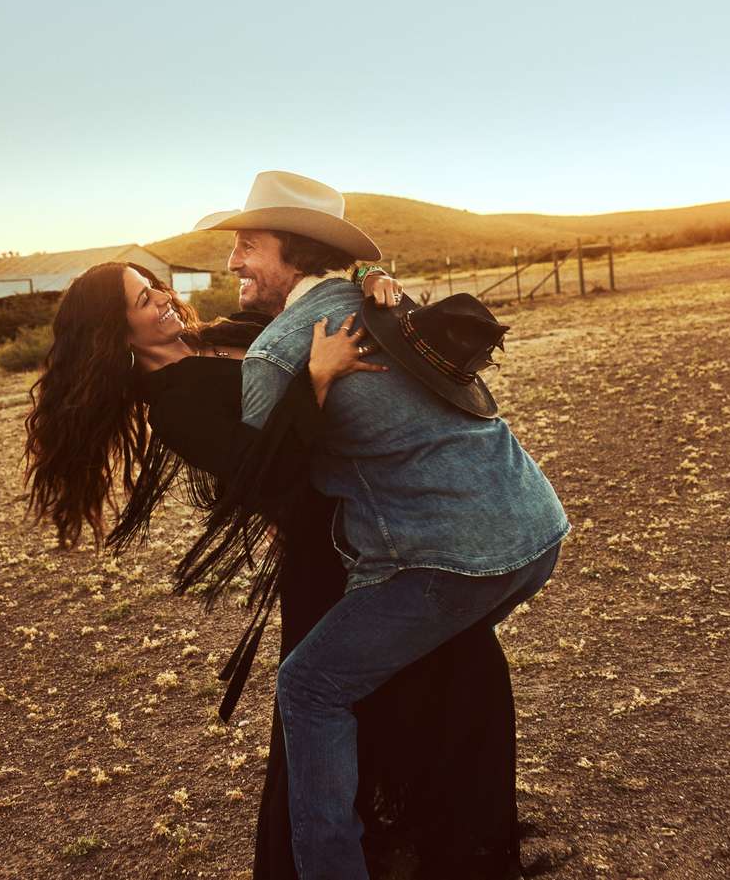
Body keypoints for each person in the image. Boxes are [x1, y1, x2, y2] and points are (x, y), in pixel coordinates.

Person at [21, 261, 526, 879]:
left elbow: (309, 298)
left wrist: (368, 275)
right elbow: (263, 474)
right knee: (339, 703)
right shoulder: (174, 406)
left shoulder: (230, 334)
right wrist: (316, 377)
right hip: (325, 553)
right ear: (114, 330)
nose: (164, 300)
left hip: (379, 525)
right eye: (143, 299)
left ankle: (453, 841)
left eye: (157, 287)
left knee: (457, 670)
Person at [188, 171, 568, 880]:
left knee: (309, 686)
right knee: (424, 664)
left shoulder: (277, 350)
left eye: (247, 247)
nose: (232, 262)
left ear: (293, 252)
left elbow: (264, 480)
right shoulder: (388, 300)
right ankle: (438, 832)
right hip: (536, 531)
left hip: (448, 560)